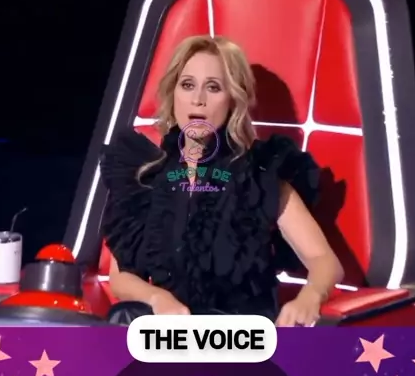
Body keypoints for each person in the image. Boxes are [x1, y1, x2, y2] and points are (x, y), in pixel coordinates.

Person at [100, 35, 343, 326]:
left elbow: (324, 261)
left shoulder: (259, 178)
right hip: (172, 331)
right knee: (125, 319)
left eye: (213, 87)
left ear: (233, 100)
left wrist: (309, 297)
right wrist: (157, 298)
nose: (198, 99)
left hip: (240, 335)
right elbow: (121, 277)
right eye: (187, 85)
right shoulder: (144, 179)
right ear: (173, 93)